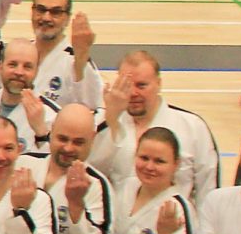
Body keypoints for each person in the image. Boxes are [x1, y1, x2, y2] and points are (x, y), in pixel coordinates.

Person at [90, 50, 220, 202]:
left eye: (141, 85)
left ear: (158, 84)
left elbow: (208, 189)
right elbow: (91, 174)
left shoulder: (193, 127)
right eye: (127, 85)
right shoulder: (103, 124)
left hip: (176, 215)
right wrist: (112, 119)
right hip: (120, 215)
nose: (133, 93)